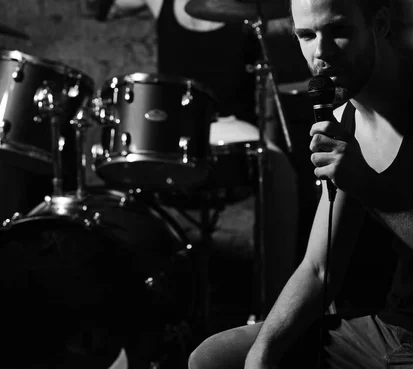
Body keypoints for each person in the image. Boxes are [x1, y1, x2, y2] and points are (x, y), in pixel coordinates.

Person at [187, 0, 413, 368]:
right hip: (385, 335)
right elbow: (319, 269)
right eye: (306, 35)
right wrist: (262, 353)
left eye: (339, 31)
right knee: (213, 359)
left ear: (378, 25)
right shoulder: (347, 118)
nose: (321, 52)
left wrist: (366, 183)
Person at [102, 0, 300, 318]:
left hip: (232, 125)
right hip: (173, 129)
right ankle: (137, 306)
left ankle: (274, 310)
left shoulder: (247, 10)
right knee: (123, 162)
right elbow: (106, 7)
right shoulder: (158, 2)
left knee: (279, 166)